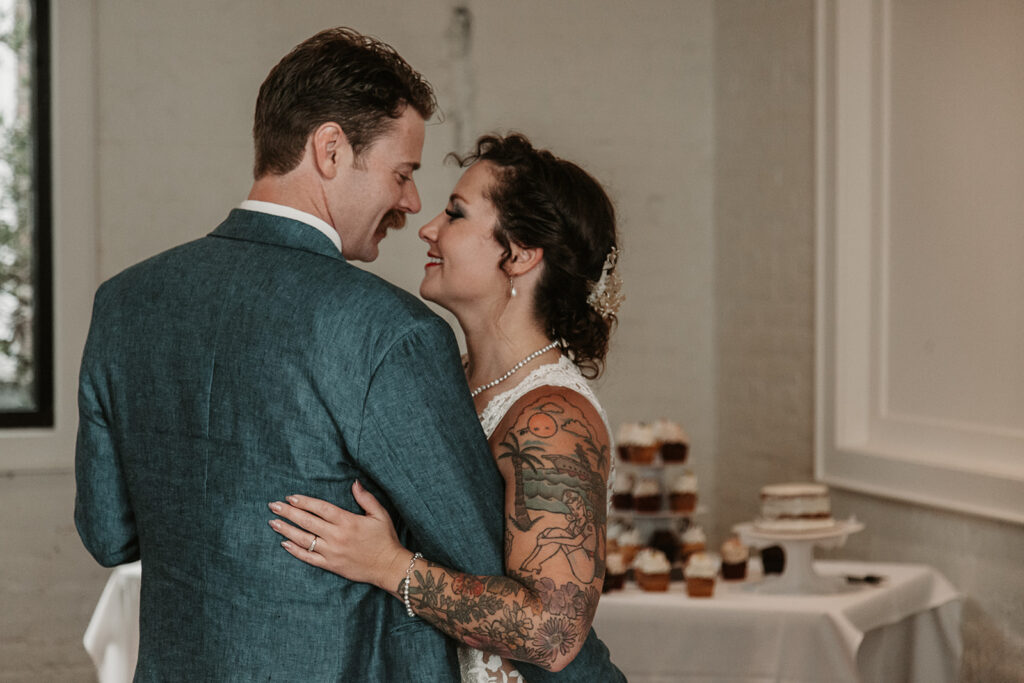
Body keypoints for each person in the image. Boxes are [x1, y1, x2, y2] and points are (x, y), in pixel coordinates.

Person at [74, 28, 621, 681]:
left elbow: (109, 533)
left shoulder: (123, 302)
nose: (413, 206)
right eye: (404, 173)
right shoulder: (387, 330)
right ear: (330, 150)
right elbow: (480, 553)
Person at [268, 133, 625, 681]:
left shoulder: (552, 418)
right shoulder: (445, 378)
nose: (428, 227)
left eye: (456, 215)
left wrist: (387, 565)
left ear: (522, 253)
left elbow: (551, 635)